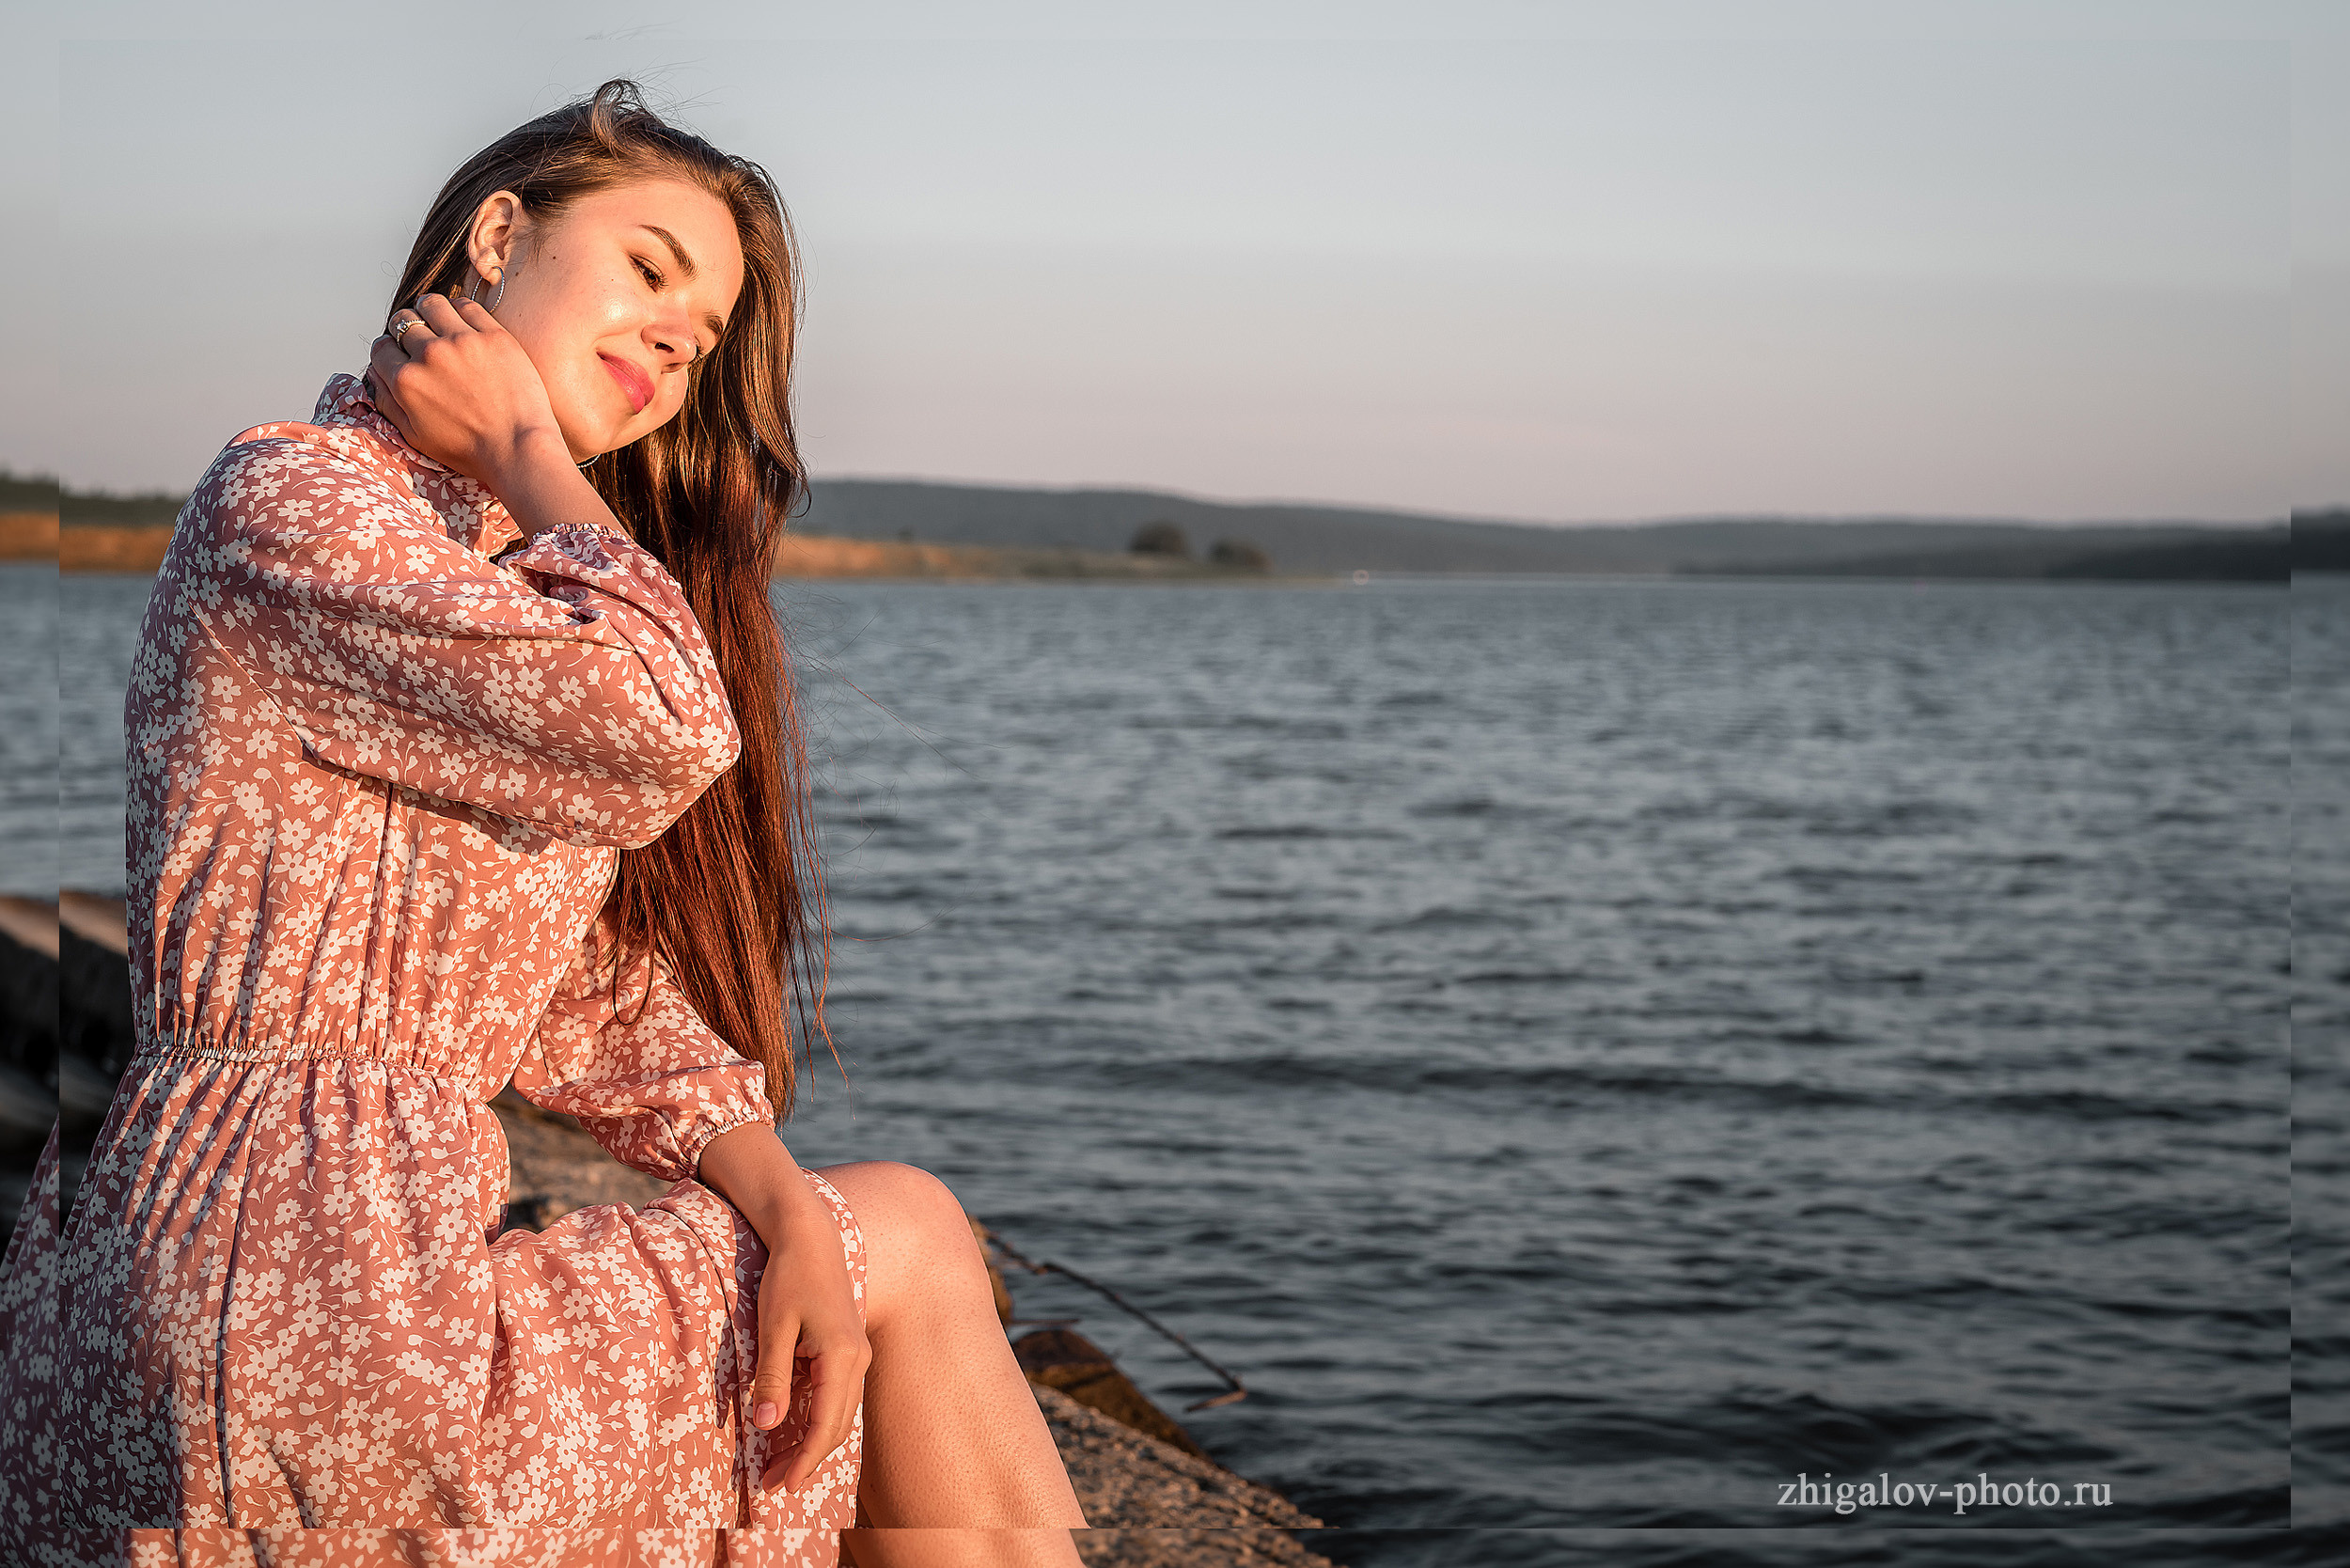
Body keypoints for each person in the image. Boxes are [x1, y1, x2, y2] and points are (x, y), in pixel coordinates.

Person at [0, 82, 1087, 1568]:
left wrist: (782, 1205)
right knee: (907, 1235)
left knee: (863, 1240)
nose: (671, 346)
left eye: (701, 342)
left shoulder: (468, 581)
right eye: (649, 271)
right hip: (285, 1304)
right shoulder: (296, 500)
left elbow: (561, 985)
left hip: (294, 1295)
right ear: (497, 236)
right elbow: (666, 727)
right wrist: (527, 441)